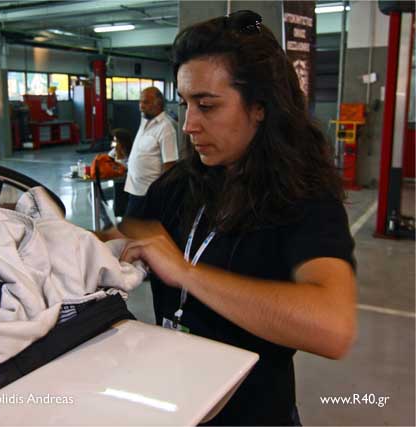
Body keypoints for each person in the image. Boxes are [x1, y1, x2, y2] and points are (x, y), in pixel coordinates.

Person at [107, 10, 356, 425]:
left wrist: (187, 274)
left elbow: (332, 326)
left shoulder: (304, 198)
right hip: (175, 404)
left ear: (260, 107)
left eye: (207, 105)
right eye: (185, 104)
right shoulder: (179, 185)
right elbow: (116, 239)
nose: (189, 125)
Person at [124, 86, 179, 214]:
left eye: (145, 102)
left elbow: (170, 165)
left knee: (135, 225)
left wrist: (160, 195)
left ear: (158, 104)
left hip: (148, 194)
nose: (141, 106)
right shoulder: (145, 121)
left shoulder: (166, 128)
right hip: (135, 190)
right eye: (140, 102)